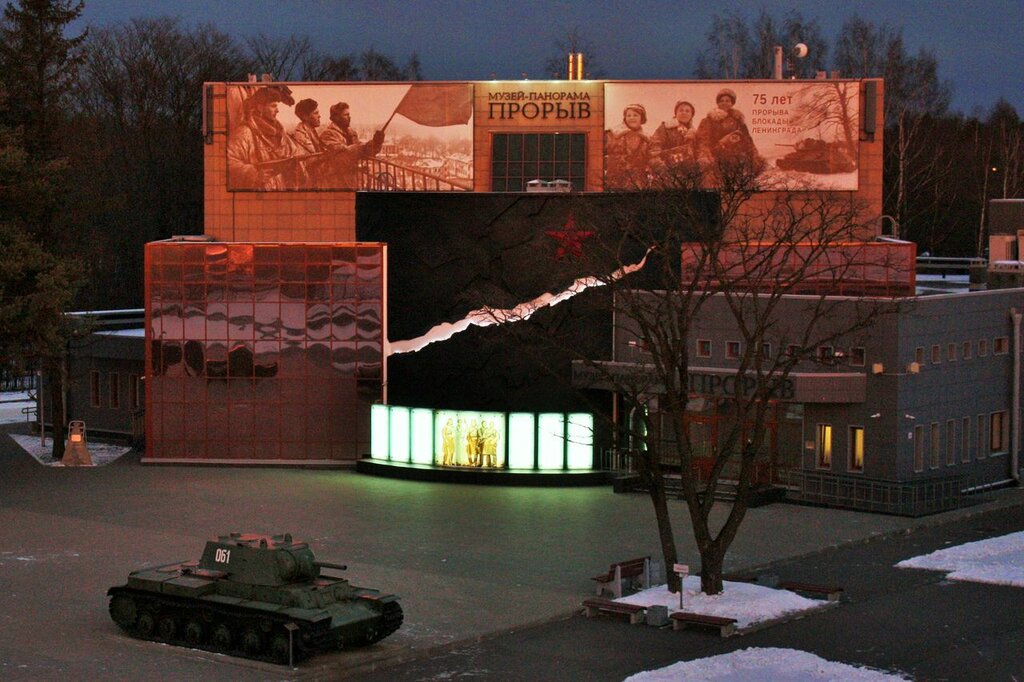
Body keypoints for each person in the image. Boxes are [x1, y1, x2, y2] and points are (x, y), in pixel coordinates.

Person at [227, 85, 304, 190]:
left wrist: (293, 164)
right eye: (273, 106)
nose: (277, 111)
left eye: (277, 106)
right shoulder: (245, 133)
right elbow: (228, 161)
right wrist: (254, 174)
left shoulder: (281, 133)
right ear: (260, 107)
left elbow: (296, 154)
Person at [319, 102, 385, 189]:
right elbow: (345, 153)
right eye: (346, 115)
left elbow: (364, 151)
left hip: (351, 179)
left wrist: (376, 142)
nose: (349, 117)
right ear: (336, 117)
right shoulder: (327, 134)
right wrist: (362, 148)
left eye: (349, 114)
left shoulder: (351, 133)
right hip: (335, 180)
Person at [696, 88, 761, 175]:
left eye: (727, 101)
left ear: (732, 103)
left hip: (738, 159)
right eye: (721, 101)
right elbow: (703, 139)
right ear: (718, 103)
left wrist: (754, 155)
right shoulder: (709, 120)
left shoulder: (739, 120)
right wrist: (705, 154)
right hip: (717, 157)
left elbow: (747, 139)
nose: (724, 103)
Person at [649, 100, 699, 181]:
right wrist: (661, 168)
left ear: (692, 115)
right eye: (681, 110)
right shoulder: (665, 128)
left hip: (689, 174)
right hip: (668, 172)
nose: (684, 113)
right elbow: (654, 150)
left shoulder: (695, 134)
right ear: (676, 113)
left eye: (687, 111)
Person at [604, 103, 650, 188]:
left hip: (638, 185)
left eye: (635, 115)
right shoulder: (612, 134)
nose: (631, 118)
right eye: (628, 115)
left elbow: (651, 161)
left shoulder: (647, 139)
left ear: (642, 118)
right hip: (614, 183)